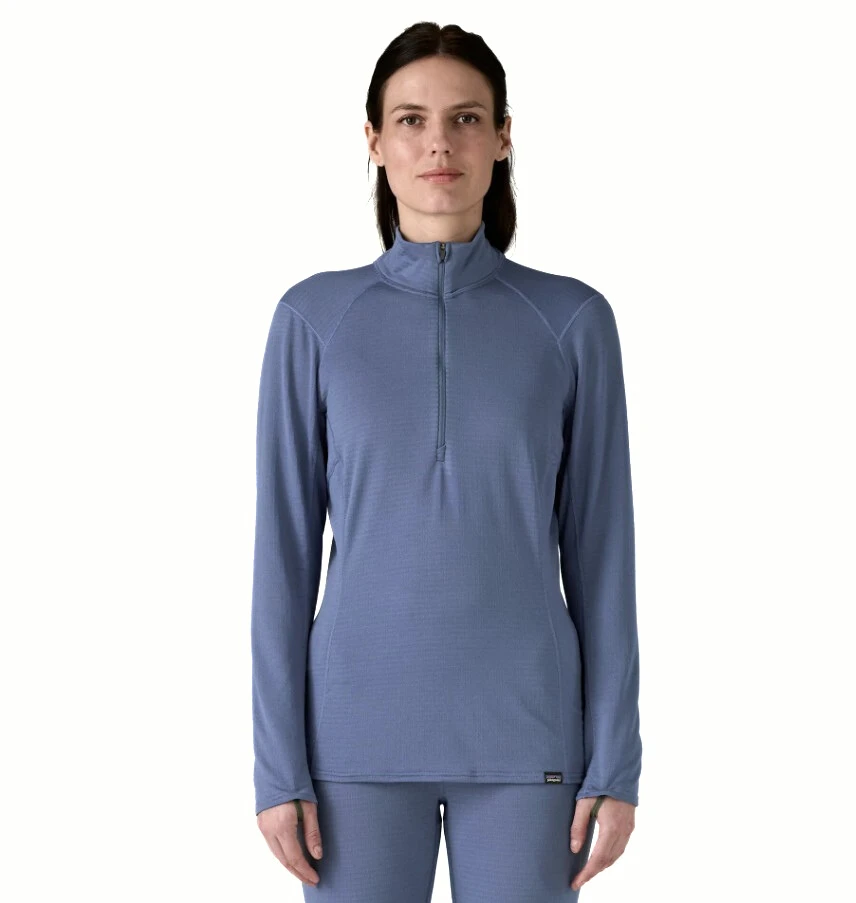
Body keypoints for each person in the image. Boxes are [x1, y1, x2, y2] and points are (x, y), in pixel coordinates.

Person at [251, 20, 642, 902]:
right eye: (411, 119)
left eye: (466, 118)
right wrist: (278, 767)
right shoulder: (313, 321)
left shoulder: (572, 321)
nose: (439, 143)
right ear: (373, 141)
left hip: (530, 744)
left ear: (502, 138)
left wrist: (616, 759)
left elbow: (604, 558)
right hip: (350, 747)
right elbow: (281, 560)